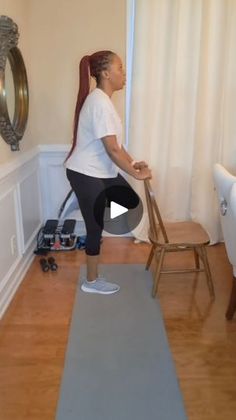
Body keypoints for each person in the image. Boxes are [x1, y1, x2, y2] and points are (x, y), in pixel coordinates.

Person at [65, 50, 151, 295]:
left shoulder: (103, 101)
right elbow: (112, 149)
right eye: (120, 68)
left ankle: (92, 207)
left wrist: (133, 164)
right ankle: (91, 281)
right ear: (105, 73)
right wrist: (136, 175)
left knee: (128, 202)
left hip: (100, 172)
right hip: (86, 173)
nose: (124, 73)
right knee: (95, 228)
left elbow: (118, 146)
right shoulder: (100, 103)